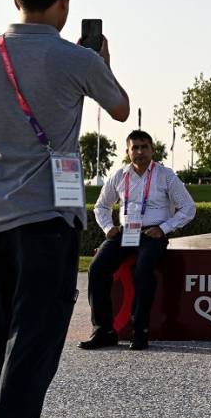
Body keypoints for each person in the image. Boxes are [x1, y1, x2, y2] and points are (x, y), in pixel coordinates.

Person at [0, 0, 130, 418]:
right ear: (63, 2)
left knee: (2, 343)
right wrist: (99, 61)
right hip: (44, 218)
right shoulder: (71, 57)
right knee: (35, 341)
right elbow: (121, 108)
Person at [81, 130, 195, 351]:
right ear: (127, 151)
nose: (140, 152)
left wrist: (163, 229)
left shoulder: (166, 175)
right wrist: (108, 227)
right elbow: (101, 206)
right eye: (135, 147)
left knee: (143, 271)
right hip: (125, 232)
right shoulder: (119, 175)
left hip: (153, 234)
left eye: (144, 147)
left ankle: (140, 330)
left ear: (153, 149)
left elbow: (188, 208)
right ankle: (103, 330)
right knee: (96, 269)